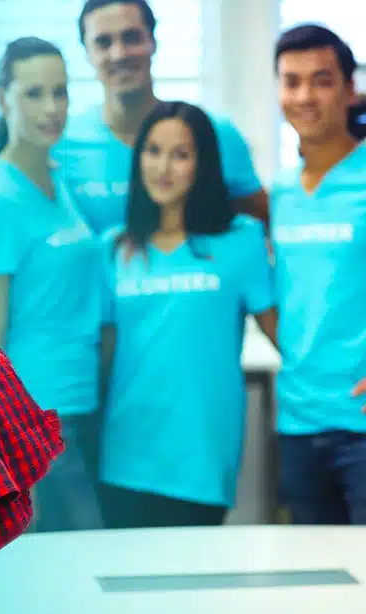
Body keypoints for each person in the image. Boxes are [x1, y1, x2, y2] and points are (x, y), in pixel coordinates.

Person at [98, 101, 277, 528]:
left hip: (201, 457)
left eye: (181, 155)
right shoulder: (113, 248)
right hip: (125, 454)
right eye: (154, 150)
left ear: (204, 164)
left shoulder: (241, 240)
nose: (164, 166)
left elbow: (283, 336)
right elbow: (104, 358)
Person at [270, 24, 366, 526]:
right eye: (291, 81)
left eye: (322, 80)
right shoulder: (283, 193)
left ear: (350, 89)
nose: (304, 95)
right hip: (296, 425)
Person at [0, 36, 103, 532]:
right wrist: (8, 454)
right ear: (3, 98)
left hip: (81, 402)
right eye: (34, 94)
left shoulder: (56, 175)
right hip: (36, 415)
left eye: (60, 93)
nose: (52, 108)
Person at [51, 0, 269, 236]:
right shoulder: (60, 145)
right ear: (87, 52)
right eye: (103, 42)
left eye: (131, 37)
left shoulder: (215, 134)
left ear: (153, 41)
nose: (119, 54)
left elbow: (259, 231)